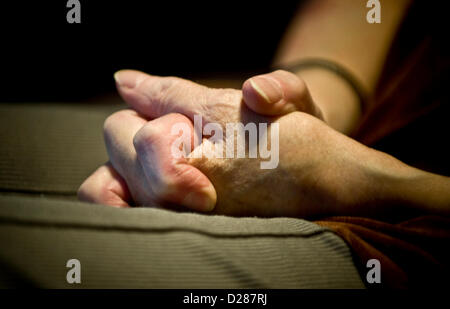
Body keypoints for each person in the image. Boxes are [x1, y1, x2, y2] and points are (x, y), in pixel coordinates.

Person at [76, 0, 450, 288]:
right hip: (362, 134)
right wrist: (299, 107)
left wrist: (364, 179)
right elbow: (356, 15)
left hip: (405, 243)